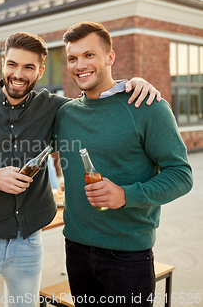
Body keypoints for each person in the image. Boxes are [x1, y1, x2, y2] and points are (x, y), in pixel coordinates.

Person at [0, 31, 159, 307]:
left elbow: (96, 104)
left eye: (29, 67)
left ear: (40, 71)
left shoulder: (55, 107)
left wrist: (133, 84)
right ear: (3, 63)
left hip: (29, 241)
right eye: (12, 64)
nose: (18, 74)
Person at [53, 21, 193, 306]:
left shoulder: (147, 106)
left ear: (110, 57)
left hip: (127, 256)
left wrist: (126, 195)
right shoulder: (65, 113)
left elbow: (180, 175)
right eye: (72, 58)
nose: (80, 65)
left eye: (89, 55)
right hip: (76, 249)